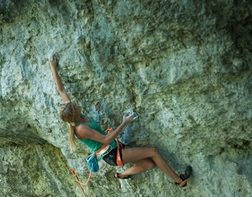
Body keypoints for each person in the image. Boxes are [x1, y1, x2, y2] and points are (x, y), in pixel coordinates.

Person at [49, 54, 192, 187]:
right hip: (111, 153)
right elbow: (106, 140)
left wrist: (53, 66)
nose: (77, 105)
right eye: (75, 106)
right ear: (74, 114)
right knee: (153, 151)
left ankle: (122, 174)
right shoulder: (81, 128)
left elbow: (61, 90)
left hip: (115, 147)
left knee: (149, 164)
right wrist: (124, 122)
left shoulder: (74, 115)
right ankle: (179, 180)